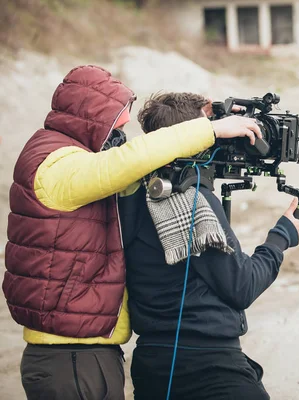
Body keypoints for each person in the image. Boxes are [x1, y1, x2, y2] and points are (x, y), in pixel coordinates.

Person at [2, 65, 262, 400]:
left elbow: (137, 167)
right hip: (71, 357)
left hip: (82, 350)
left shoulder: (65, 156)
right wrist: (210, 130)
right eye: (117, 122)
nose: (123, 132)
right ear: (91, 118)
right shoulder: (57, 165)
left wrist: (216, 117)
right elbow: (126, 162)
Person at [120, 92, 299, 400]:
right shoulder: (191, 202)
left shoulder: (134, 192)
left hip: (152, 362)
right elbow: (241, 286)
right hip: (207, 366)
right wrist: (282, 235)